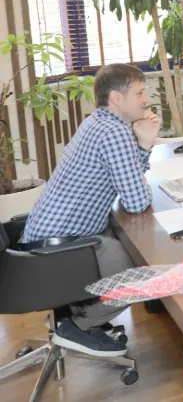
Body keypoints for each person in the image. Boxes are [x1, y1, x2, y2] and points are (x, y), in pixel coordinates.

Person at [21, 64, 159, 358]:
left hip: (46, 238)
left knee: (126, 243)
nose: (146, 99)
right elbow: (136, 201)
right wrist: (143, 157)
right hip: (58, 247)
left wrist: (144, 144)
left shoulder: (98, 122)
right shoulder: (114, 133)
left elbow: (128, 178)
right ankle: (78, 326)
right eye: (139, 93)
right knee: (145, 269)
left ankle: (81, 313)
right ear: (116, 98)